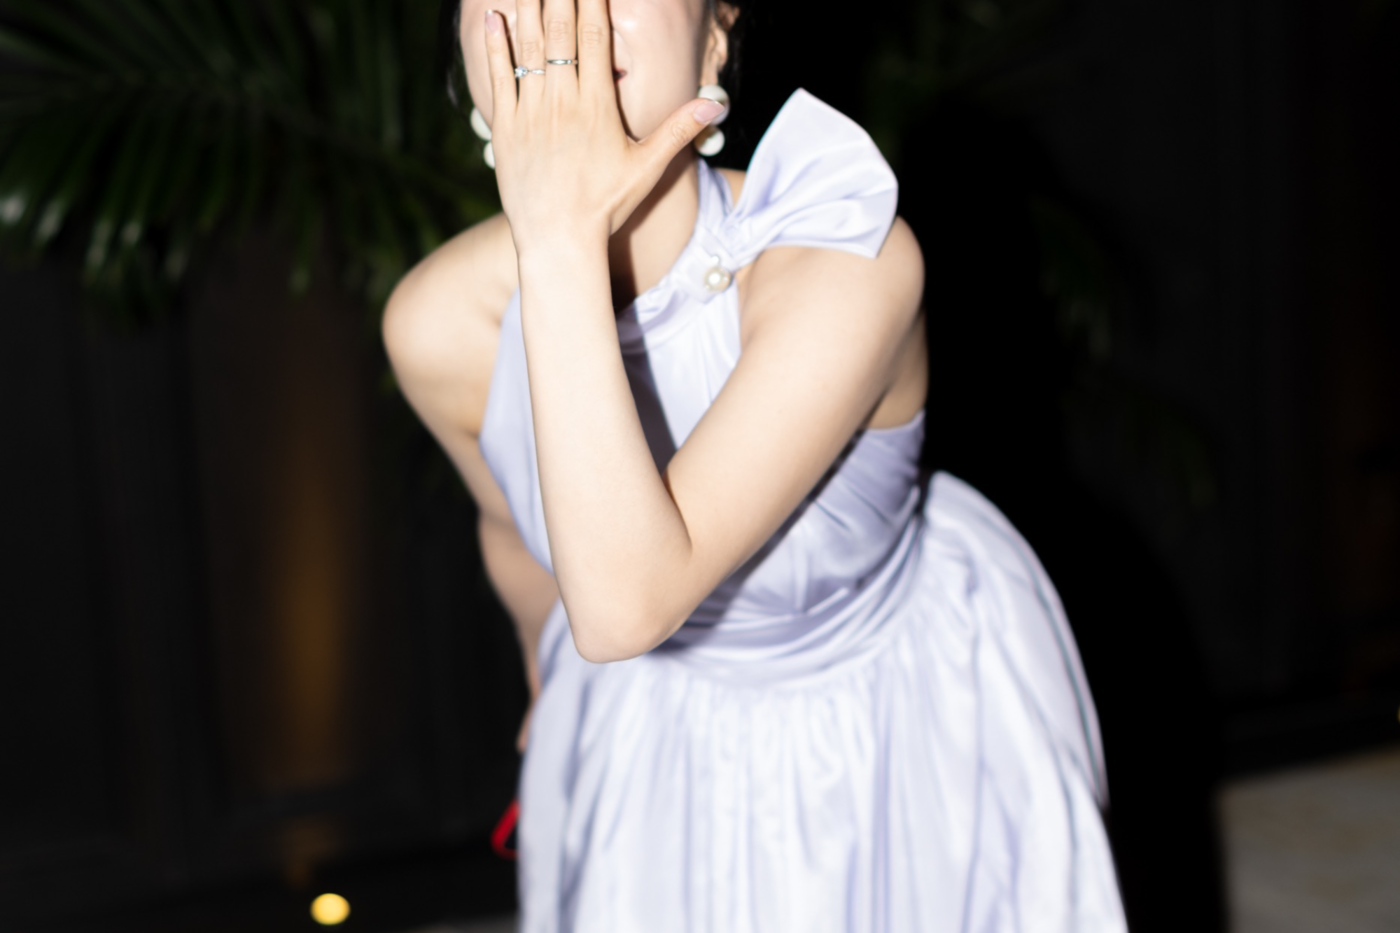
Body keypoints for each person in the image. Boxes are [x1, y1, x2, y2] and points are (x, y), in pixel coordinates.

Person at [382, 0, 1129, 929]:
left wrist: (561, 235)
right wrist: (547, 678)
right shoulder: (443, 321)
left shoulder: (844, 255)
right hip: (647, 725)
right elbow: (514, 532)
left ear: (715, 36)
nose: (569, 14)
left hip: (883, 726)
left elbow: (624, 605)